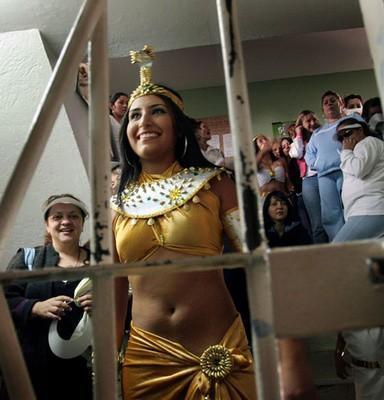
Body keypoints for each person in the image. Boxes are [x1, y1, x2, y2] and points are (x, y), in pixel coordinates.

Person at [112, 46, 255, 399]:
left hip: (219, 348)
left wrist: (282, 343)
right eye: (133, 116)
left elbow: (258, 264)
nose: (143, 122)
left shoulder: (216, 184)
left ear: (177, 126)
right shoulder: (115, 205)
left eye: (156, 111)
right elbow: (111, 288)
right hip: (144, 359)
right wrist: (107, 357)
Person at [331, 116, 384, 400]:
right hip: (368, 213)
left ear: (360, 129)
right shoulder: (360, 148)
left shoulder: (369, 143)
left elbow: (359, 170)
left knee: (335, 252)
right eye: (340, 137)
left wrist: (347, 152)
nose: (344, 140)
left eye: (348, 133)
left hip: (373, 212)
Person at [3, 194, 93, 399]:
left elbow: (125, 306)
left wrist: (104, 306)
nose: (66, 221)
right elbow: (0, 302)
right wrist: (34, 308)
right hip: (31, 372)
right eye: (57, 216)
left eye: (73, 216)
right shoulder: (28, 260)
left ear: (82, 223)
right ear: (47, 224)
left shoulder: (100, 264)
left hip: (81, 375)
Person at [262, 191, 317, 399]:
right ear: (266, 210)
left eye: (283, 203)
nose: (279, 207)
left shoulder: (299, 231)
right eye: (274, 204)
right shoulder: (262, 237)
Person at [305, 90, 346, 240]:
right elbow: (309, 155)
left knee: (349, 208)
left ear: (341, 104)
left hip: (346, 171)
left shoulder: (350, 121)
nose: (329, 103)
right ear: (323, 110)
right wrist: (319, 164)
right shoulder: (317, 133)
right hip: (324, 176)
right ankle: (338, 244)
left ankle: (355, 240)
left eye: (332, 100)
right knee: (330, 214)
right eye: (325, 102)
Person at [290, 110, 327, 243]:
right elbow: (297, 154)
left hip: (325, 176)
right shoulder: (297, 142)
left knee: (332, 217)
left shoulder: (323, 134)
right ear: (301, 125)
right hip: (309, 181)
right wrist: (299, 134)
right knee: (317, 222)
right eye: (308, 121)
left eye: (314, 119)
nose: (312, 123)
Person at [109, 92, 129, 161]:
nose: (125, 106)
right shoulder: (108, 120)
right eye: (121, 102)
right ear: (112, 106)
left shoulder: (127, 124)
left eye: (127, 103)